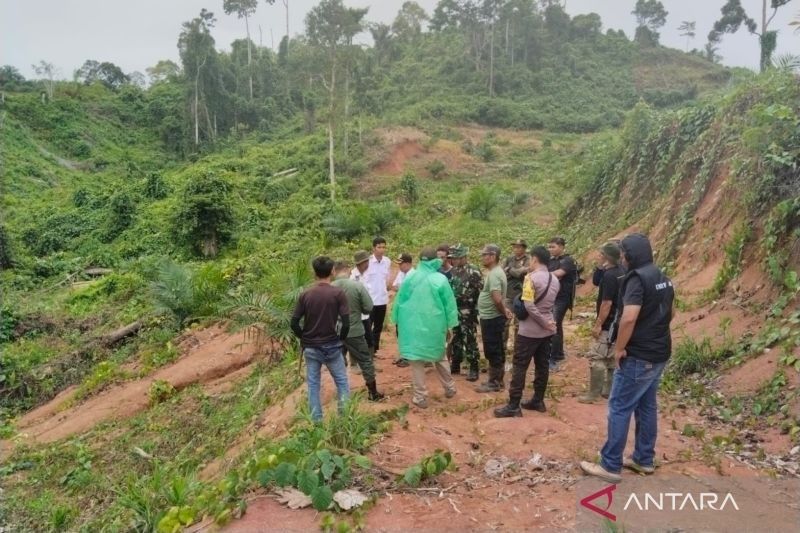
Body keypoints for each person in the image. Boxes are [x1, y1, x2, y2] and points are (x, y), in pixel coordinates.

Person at [580, 234, 675, 483]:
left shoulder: (636, 279)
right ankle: (644, 459)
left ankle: (610, 465)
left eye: (624, 253)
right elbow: (670, 311)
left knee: (619, 407)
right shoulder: (661, 276)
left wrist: (620, 348)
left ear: (631, 255)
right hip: (659, 352)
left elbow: (629, 317)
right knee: (647, 406)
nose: (621, 257)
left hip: (638, 355)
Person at [494, 246, 559, 417]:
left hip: (529, 331)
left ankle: (514, 405)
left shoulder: (530, 278)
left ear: (535, 259)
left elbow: (529, 306)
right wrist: (548, 323)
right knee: (542, 366)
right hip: (547, 332)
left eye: (531, 259)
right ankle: (538, 400)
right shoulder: (555, 279)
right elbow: (549, 306)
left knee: (520, 366)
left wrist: (544, 322)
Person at [391, 247, 459, 409]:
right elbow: (450, 305)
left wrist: (395, 319)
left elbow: (399, 301)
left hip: (412, 325)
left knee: (416, 361)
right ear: (435, 260)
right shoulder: (440, 279)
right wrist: (451, 325)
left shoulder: (410, 278)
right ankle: (449, 388)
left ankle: (420, 396)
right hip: (435, 325)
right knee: (440, 356)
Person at [290, 256, 350, 422]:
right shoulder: (338, 293)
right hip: (332, 345)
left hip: (311, 348)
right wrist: (341, 341)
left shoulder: (306, 294)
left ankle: (317, 423)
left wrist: (304, 337)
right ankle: (344, 420)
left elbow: (294, 323)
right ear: (332, 271)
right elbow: (346, 323)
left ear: (314, 272)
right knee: (342, 382)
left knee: (314, 386)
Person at [578, 242, 625, 404]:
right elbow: (597, 281)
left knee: (597, 356)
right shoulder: (622, 271)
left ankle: (593, 394)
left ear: (606, 256)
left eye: (600, 253)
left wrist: (598, 324)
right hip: (620, 321)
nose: (598, 255)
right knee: (612, 357)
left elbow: (606, 303)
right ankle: (608, 390)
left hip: (609, 323)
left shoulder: (610, 276)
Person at [333, 261, 384, 401]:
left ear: (334, 271)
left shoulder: (330, 288)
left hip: (336, 332)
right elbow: (368, 307)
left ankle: (342, 393)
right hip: (354, 330)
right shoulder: (356, 286)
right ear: (347, 270)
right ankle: (373, 393)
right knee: (365, 361)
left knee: (338, 361)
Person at [476, 244, 513, 393]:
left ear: (492, 256)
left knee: (493, 350)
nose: (483, 258)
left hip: (492, 317)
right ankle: (497, 380)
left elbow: (497, 298)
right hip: (491, 316)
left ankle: (494, 382)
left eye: (485, 255)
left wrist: (503, 311)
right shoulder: (495, 272)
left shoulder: (495, 274)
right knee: (496, 348)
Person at [447, 244, 483, 380]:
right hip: (455, 311)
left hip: (468, 311)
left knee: (469, 340)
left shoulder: (474, 271)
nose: (454, 260)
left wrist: (475, 310)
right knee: (456, 338)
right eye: (453, 258)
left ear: (463, 257)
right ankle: (456, 364)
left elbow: (480, 292)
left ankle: (474, 367)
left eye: (456, 258)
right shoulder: (453, 271)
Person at [547, 237, 578, 371]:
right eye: (549, 247)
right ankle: (558, 353)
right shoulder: (551, 260)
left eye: (553, 247)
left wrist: (543, 275)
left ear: (561, 247)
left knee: (553, 325)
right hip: (552, 297)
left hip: (562, 298)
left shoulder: (568, 261)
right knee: (556, 325)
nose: (551, 249)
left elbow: (558, 274)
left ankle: (552, 358)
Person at [364, 237, 391, 355]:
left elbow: (387, 279)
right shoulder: (368, 262)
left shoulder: (387, 261)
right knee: (368, 327)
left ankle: (374, 350)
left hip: (382, 299)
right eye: (379, 247)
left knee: (378, 327)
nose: (382, 249)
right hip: (370, 300)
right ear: (373, 248)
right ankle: (366, 351)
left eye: (384, 247)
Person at [503, 239, 531, 349]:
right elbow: (502, 272)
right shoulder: (509, 259)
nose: (516, 249)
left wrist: (510, 270)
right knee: (505, 321)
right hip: (509, 293)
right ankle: (503, 346)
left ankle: (518, 347)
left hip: (521, 295)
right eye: (515, 247)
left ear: (524, 248)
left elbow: (524, 272)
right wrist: (516, 271)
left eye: (519, 247)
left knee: (519, 323)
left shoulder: (528, 259)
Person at [349, 250, 373, 372]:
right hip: (356, 314)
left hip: (366, 313)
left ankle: (369, 363)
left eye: (368, 261)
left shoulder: (366, 274)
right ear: (359, 263)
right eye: (365, 262)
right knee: (356, 339)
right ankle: (353, 364)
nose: (367, 264)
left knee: (369, 337)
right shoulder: (353, 276)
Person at [391, 253, 415, 368]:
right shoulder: (401, 273)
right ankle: (403, 354)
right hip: (401, 308)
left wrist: (402, 290)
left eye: (401, 264)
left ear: (407, 263)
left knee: (410, 332)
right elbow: (394, 286)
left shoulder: (414, 275)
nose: (399, 266)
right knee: (400, 331)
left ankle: (409, 357)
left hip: (411, 309)